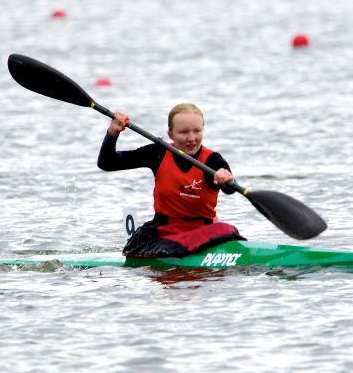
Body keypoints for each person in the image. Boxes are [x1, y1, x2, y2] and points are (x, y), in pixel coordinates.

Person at [97, 103, 245, 258]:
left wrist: (226, 179)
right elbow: (107, 163)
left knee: (225, 229)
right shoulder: (158, 153)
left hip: (203, 231)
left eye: (197, 131)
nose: (191, 138)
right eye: (183, 132)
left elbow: (230, 189)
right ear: (170, 134)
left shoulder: (212, 160)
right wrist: (112, 133)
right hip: (164, 232)